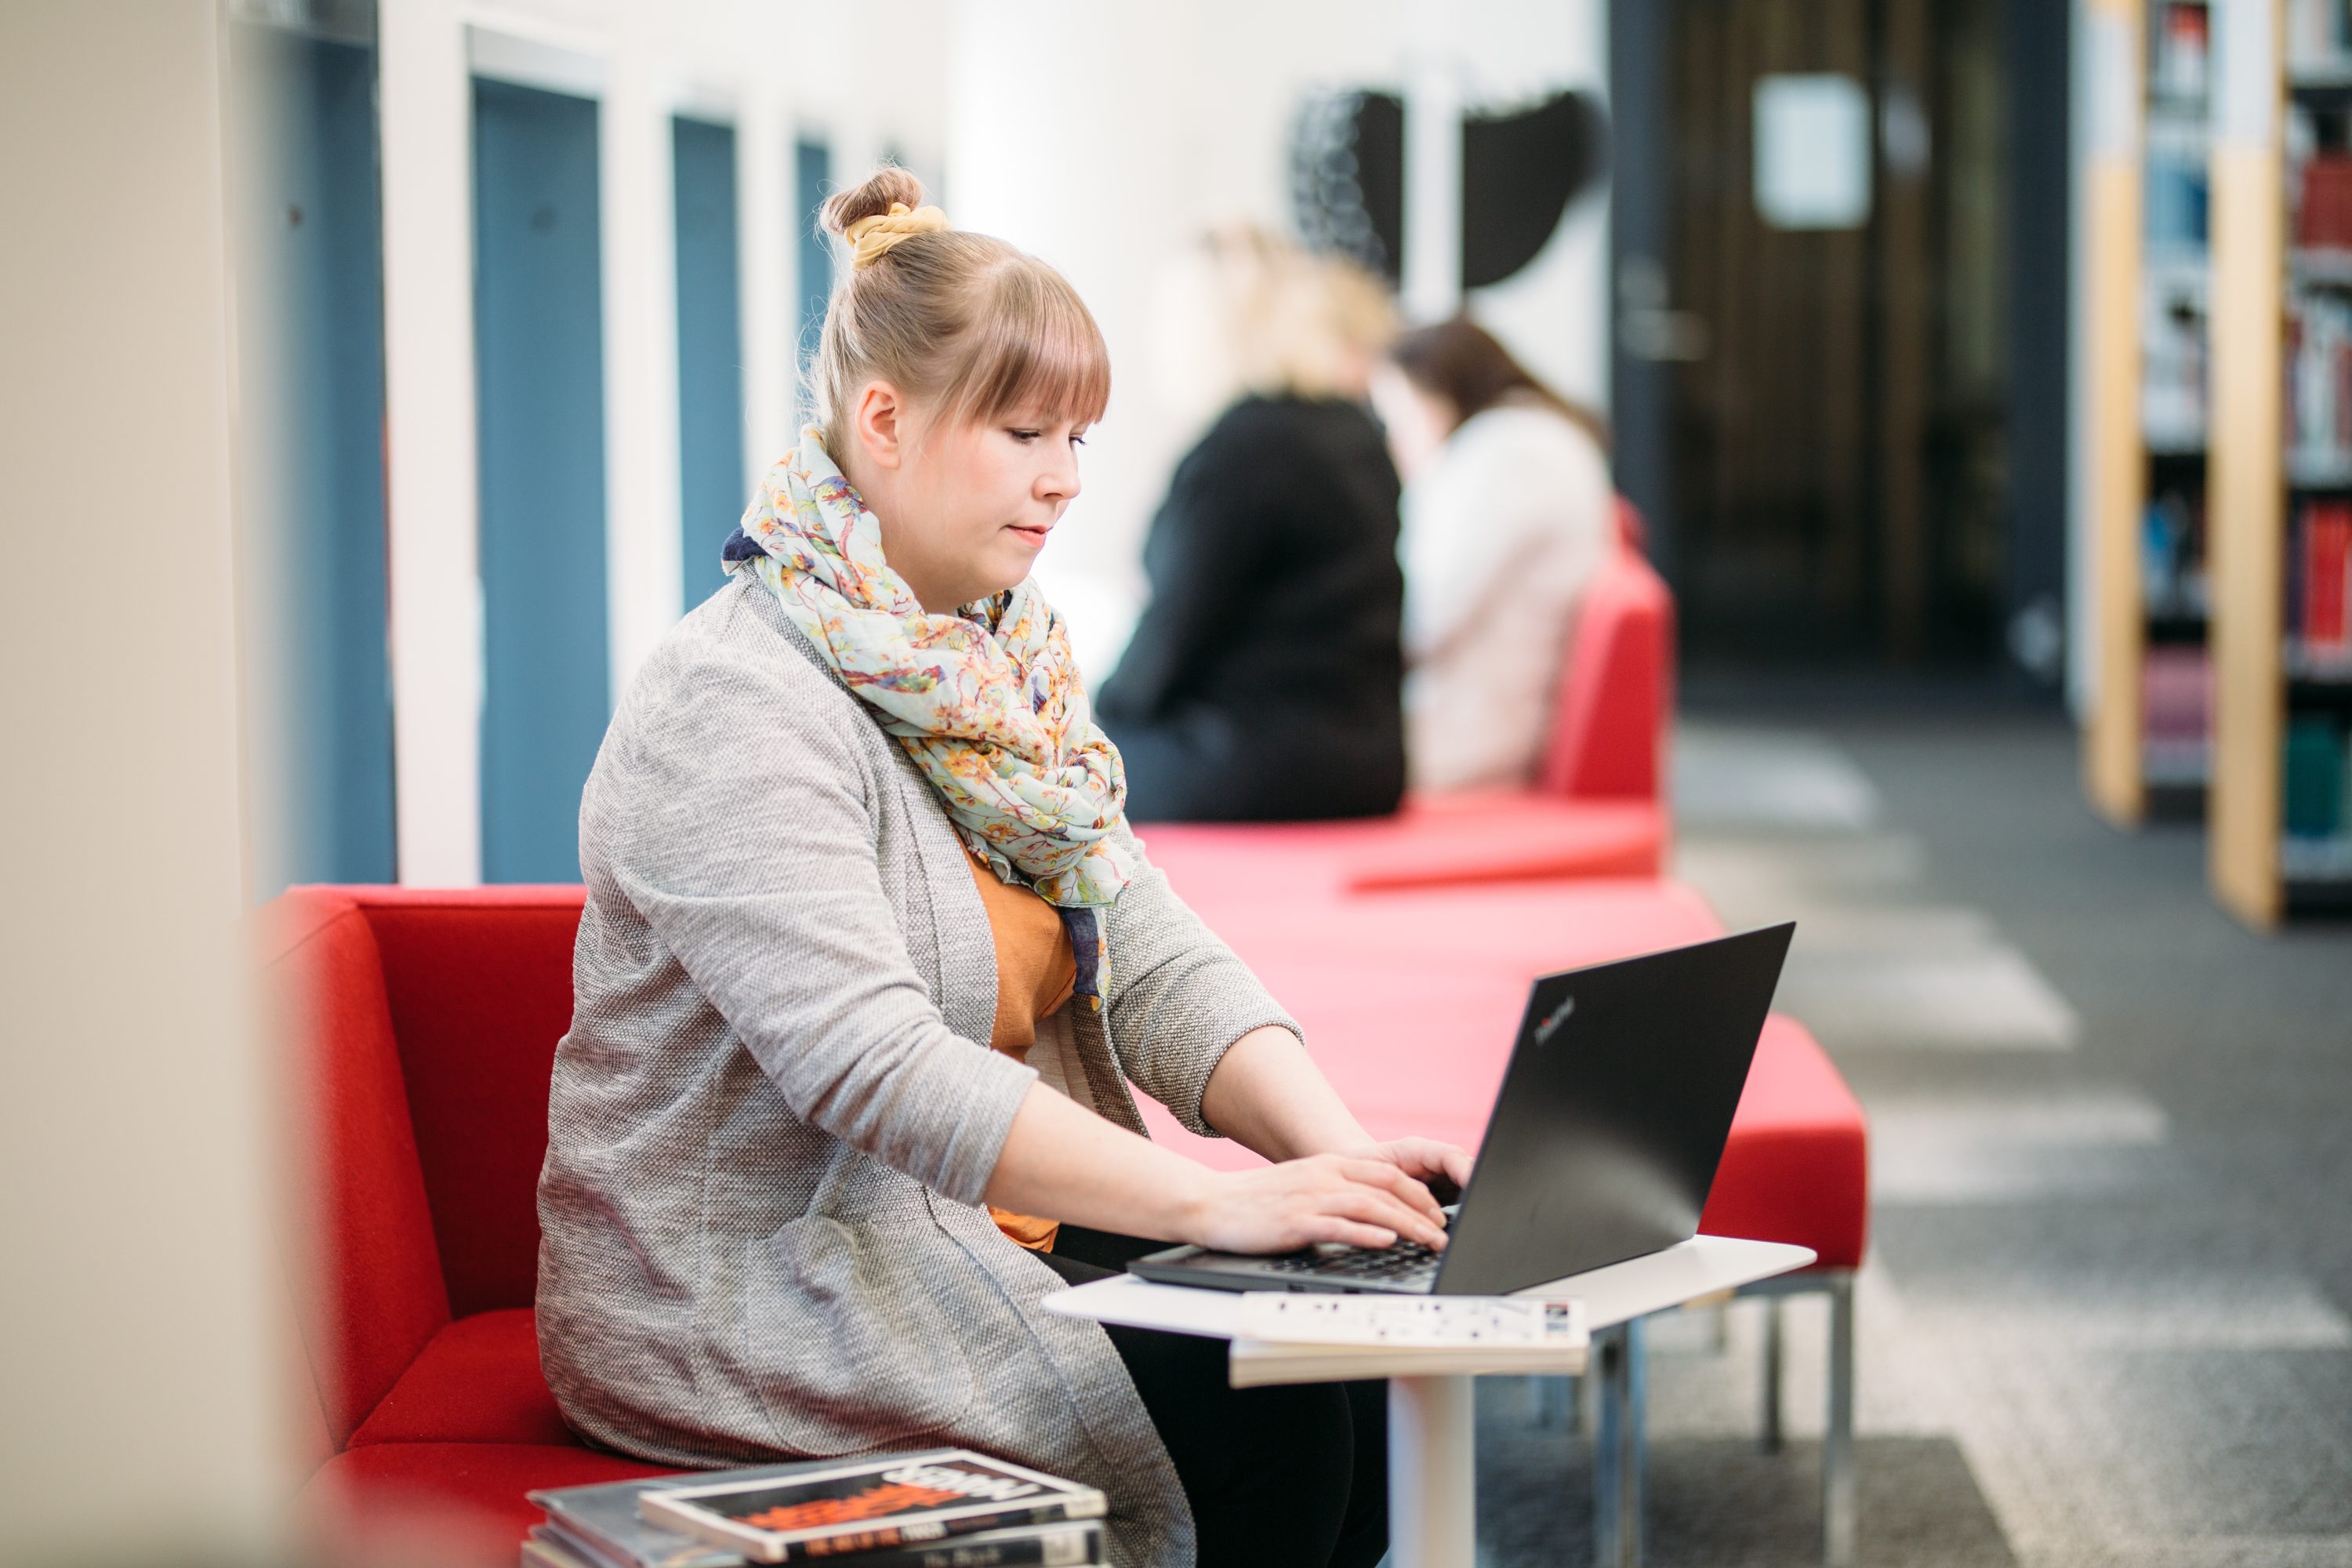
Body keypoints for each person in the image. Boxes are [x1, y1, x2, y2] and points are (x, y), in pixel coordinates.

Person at [534, 169, 1472, 1568]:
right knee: (1273, 1435)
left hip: (970, 1222)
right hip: (759, 1285)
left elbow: (1141, 938)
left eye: (1080, 437)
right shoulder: (730, 703)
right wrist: (1221, 1201)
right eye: (1024, 431)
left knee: (1339, 1360)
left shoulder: (995, 658)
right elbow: (873, 1064)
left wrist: (1327, 1157)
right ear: (886, 424)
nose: (1065, 481)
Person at [1092, 228, 1405, 822]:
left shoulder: (1238, 451)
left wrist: (1093, 715)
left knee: (1052, 770)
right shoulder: (1357, 432)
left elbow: (1171, 634)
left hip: (1255, 769)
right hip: (1371, 764)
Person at [1370, 317, 1616, 794]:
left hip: (1465, 741)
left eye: (1399, 417)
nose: (1394, 441)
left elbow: (1423, 622)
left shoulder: (1507, 456)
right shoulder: (1528, 439)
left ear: (1440, 392)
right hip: (1480, 716)